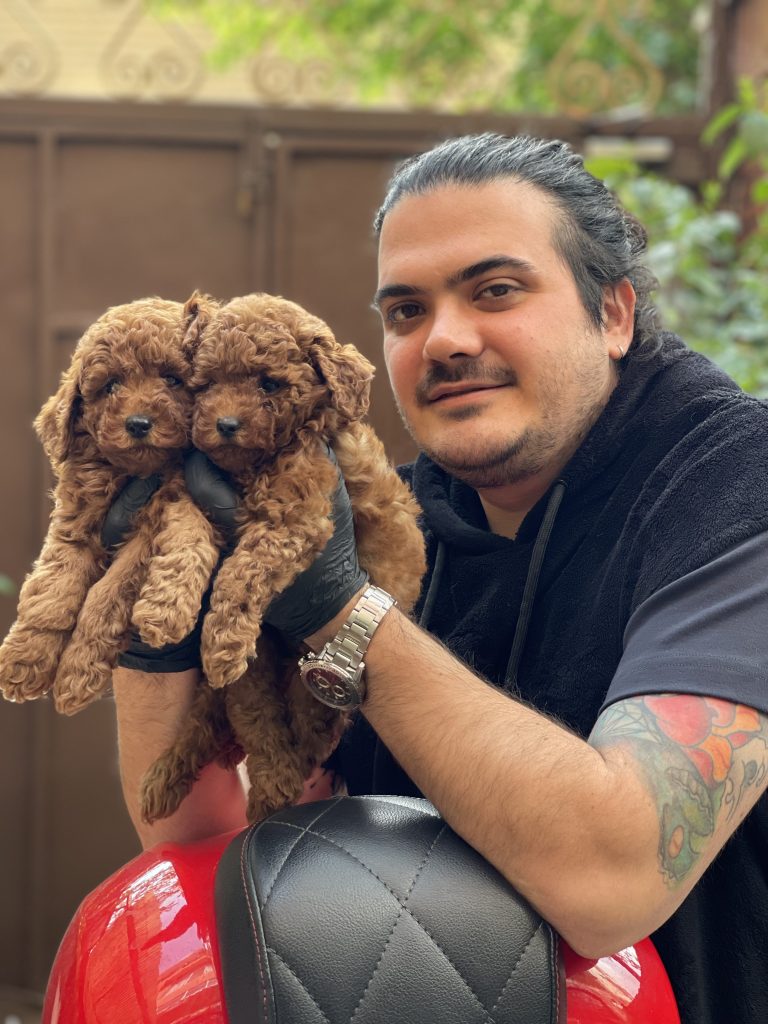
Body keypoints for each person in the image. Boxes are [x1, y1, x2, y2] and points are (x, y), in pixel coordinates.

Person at [112, 134, 768, 1024]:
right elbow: (197, 844)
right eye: (405, 311)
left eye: (496, 290)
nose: (445, 340)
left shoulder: (735, 481)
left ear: (613, 314)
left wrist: (344, 615)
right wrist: (157, 628)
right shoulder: (392, 517)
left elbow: (616, 877)